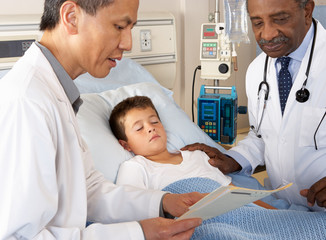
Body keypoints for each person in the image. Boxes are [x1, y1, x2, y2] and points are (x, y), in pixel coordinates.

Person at [0, 0, 205, 239]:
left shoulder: (57, 92)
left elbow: (87, 189)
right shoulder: (27, 102)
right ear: (71, 17)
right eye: (119, 26)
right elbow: (20, 236)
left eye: (131, 28)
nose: (128, 43)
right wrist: (138, 233)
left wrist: (164, 202)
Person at [183, 0, 326, 212]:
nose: (267, 35)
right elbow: (261, 136)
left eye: (280, 19)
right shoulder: (257, 71)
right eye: (257, 23)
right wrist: (231, 160)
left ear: (307, 10)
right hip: (283, 209)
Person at [109, 96, 232, 189]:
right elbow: (129, 207)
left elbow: (232, 192)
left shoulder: (197, 155)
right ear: (126, 145)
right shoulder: (136, 168)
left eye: (154, 121)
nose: (150, 128)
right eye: (139, 128)